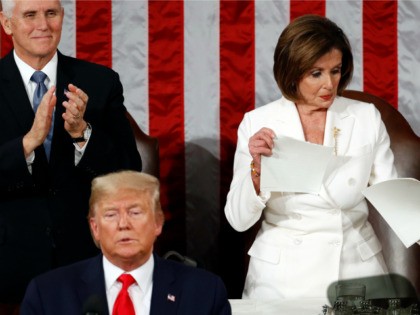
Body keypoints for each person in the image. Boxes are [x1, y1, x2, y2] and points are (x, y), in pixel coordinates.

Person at [224, 14, 398, 302]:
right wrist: (257, 172)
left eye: (336, 70)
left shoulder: (365, 116)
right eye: (316, 73)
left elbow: (392, 195)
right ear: (291, 72)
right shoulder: (258, 123)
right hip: (282, 278)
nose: (329, 84)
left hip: (357, 271)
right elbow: (238, 219)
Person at [0, 0, 142, 308]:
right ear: (7, 23)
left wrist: (83, 134)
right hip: (8, 262)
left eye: (51, 13)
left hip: (85, 255)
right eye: (30, 15)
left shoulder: (100, 82)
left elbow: (130, 171)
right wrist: (28, 143)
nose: (43, 24)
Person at [20, 171, 232, 315]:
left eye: (135, 212)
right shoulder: (48, 294)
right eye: (111, 214)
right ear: (95, 228)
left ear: (158, 222)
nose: (123, 224)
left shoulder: (205, 292)